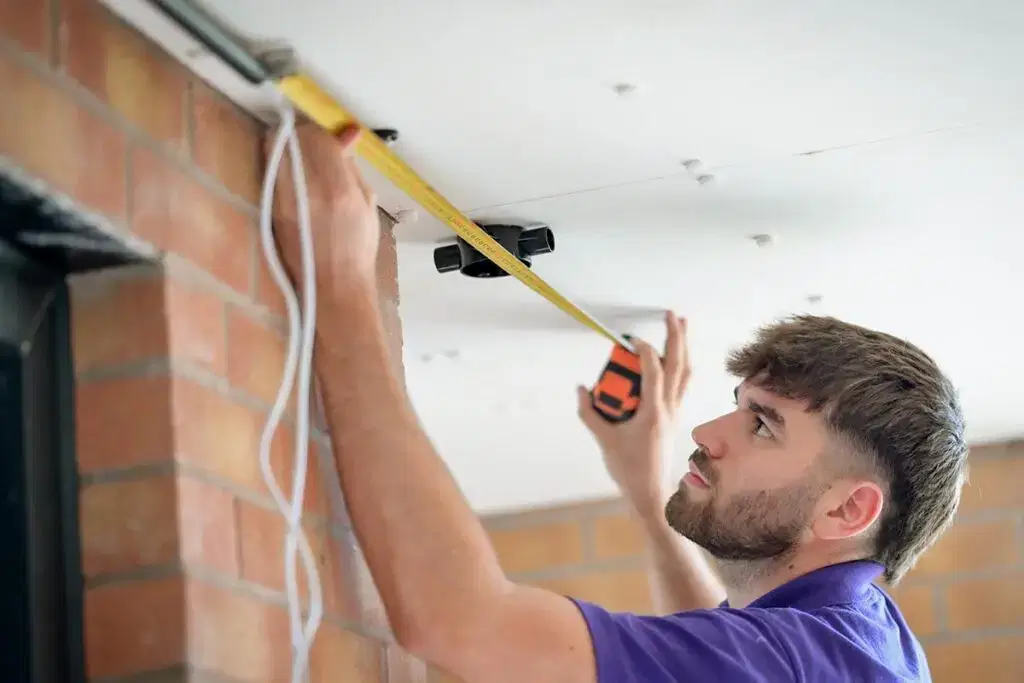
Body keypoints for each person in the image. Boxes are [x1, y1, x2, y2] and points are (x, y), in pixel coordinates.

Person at [266, 122, 969, 683]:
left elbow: (463, 624)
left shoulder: (795, 660)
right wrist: (647, 488)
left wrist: (340, 286)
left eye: (763, 424)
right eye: (739, 403)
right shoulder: (860, 634)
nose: (708, 429)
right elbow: (720, 656)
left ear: (849, 509)